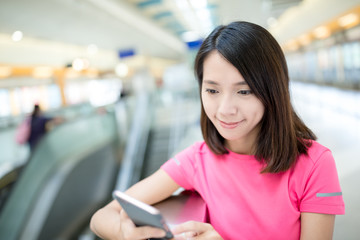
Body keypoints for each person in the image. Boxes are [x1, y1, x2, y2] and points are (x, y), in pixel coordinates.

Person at [90, 21, 345, 240]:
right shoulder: (196, 160)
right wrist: (128, 233)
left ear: (273, 90)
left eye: (244, 91)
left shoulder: (314, 164)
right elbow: (102, 217)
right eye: (212, 90)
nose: (225, 109)